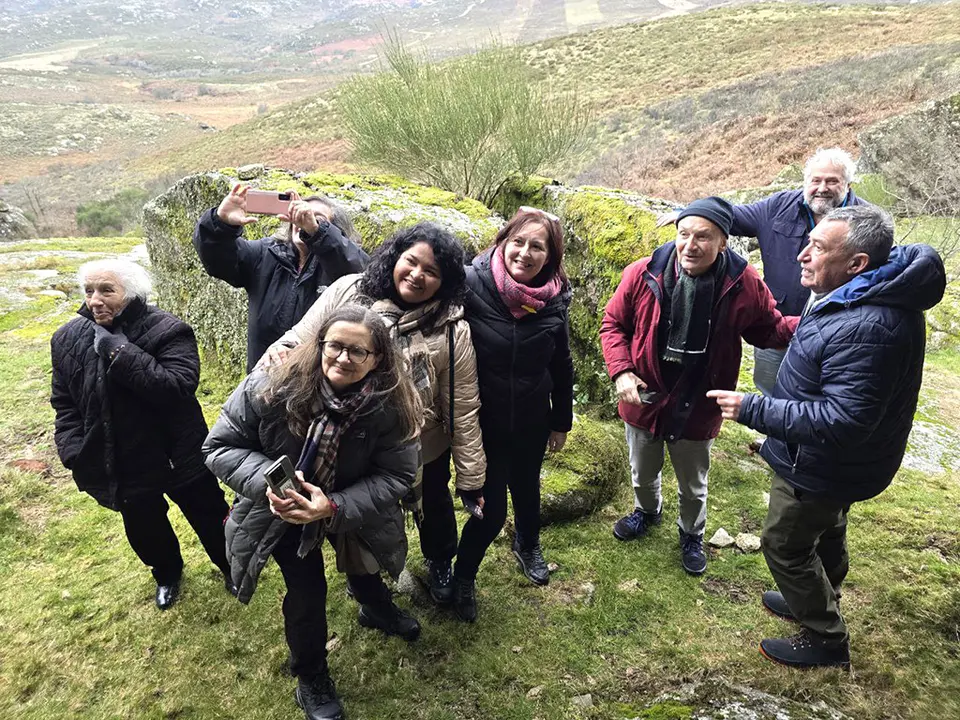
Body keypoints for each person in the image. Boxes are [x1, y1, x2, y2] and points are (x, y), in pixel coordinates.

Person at [708, 205, 946, 669]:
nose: (802, 255)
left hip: (821, 462)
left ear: (857, 262)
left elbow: (843, 420)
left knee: (785, 543)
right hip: (839, 466)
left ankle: (824, 636)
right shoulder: (862, 295)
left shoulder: (869, 324)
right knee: (829, 525)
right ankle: (822, 591)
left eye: (817, 247)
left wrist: (754, 408)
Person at [204, 305, 422, 720]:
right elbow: (219, 446)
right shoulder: (273, 383)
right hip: (282, 509)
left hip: (349, 500)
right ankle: (310, 676)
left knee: (365, 562)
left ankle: (375, 608)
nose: (343, 358)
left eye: (358, 352)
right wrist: (271, 488)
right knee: (307, 593)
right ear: (318, 344)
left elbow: (398, 474)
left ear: (378, 359)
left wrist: (334, 506)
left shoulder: (390, 402)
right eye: (335, 346)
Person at [261, 222, 486, 619]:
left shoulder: (452, 328)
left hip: (420, 445)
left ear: (445, 280)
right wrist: (273, 364)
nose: (417, 275)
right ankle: (369, 588)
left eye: (431, 271)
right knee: (361, 513)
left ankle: (438, 564)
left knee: (433, 506)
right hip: (348, 434)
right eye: (411, 262)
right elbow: (301, 336)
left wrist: (470, 478)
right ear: (395, 258)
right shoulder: (351, 290)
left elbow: (462, 406)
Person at [600, 197, 798, 576]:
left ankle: (691, 533)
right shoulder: (644, 273)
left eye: (703, 237)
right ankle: (647, 511)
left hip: (700, 401)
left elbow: (767, 328)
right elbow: (613, 325)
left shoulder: (744, 283)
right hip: (644, 396)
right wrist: (622, 371)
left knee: (693, 482)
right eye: (684, 234)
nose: (690, 245)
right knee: (642, 469)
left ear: (723, 242)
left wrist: (810, 325)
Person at [50, 259, 233, 610]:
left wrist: (118, 349)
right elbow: (65, 403)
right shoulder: (66, 339)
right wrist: (72, 450)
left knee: (209, 515)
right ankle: (166, 574)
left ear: (131, 293)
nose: (95, 300)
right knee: (145, 529)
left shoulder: (168, 329)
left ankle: (230, 566)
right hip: (120, 460)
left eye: (106, 290)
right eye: (89, 290)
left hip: (176, 453)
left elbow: (176, 387)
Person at [657, 147, 868, 396]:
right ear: (805, 182)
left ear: (849, 185)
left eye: (832, 181)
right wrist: (692, 214)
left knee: (822, 391)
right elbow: (733, 216)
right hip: (777, 322)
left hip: (837, 326)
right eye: (815, 180)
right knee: (771, 385)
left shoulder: (865, 221)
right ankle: (772, 433)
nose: (822, 188)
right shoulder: (779, 206)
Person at [452, 206, 575, 616]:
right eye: (517, 242)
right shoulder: (471, 284)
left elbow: (561, 363)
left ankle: (528, 544)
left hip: (531, 420)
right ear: (502, 242)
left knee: (528, 489)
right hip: (482, 424)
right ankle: (463, 576)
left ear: (550, 257)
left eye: (537, 247)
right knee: (490, 513)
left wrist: (561, 421)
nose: (524, 253)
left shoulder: (555, 299)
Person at [193, 183, 369, 372]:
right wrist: (221, 224)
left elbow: (359, 273)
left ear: (335, 231)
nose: (303, 220)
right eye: (298, 213)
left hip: (317, 381)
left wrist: (317, 232)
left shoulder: (342, 262)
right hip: (263, 377)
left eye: (316, 218)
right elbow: (218, 261)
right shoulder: (266, 253)